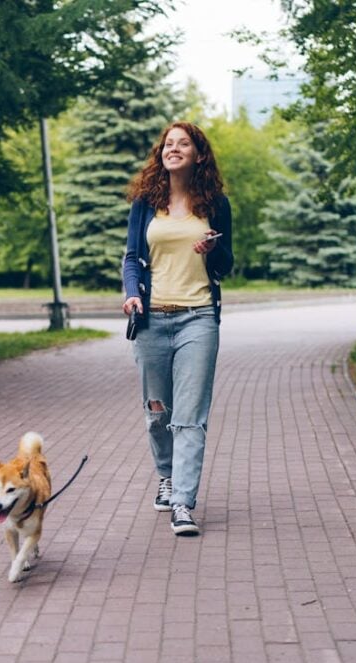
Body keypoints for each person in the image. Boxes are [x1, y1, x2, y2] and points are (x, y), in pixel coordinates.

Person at [122, 121, 233, 537]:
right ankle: (166, 476)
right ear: (161, 154)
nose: (174, 148)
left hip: (198, 318)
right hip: (151, 319)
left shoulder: (215, 203)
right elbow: (132, 258)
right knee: (157, 413)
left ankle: (183, 503)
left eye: (183, 143)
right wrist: (132, 293)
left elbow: (226, 266)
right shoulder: (145, 203)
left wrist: (214, 248)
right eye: (169, 143)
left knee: (190, 416)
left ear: (197, 154)